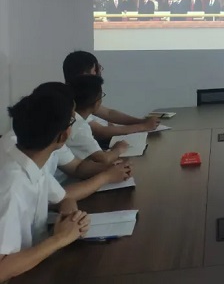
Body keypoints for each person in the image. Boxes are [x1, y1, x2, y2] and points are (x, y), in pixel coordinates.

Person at [0, 89, 91, 281]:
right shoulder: (11, 186)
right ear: (63, 136)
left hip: (34, 266)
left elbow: (64, 198)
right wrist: (60, 238)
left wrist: (71, 218)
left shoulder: (31, 161)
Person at [0, 83, 132, 201]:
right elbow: (61, 197)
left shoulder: (46, 138)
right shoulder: (20, 161)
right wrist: (106, 177)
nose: (74, 125)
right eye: (72, 120)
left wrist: (109, 169)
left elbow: (76, 168)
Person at [62, 51, 160, 140]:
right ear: (85, 74)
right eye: (96, 69)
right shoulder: (73, 99)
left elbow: (109, 113)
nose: (99, 72)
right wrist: (143, 126)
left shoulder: (79, 92)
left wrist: (141, 121)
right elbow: (101, 132)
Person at [65, 75, 128, 164]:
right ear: (97, 102)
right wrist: (118, 149)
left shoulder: (70, 118)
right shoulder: (79, 126)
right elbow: (104, 160)